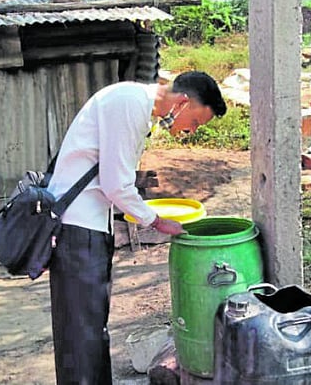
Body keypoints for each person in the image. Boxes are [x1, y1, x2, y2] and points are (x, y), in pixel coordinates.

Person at [46, 71, 227, 384]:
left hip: (87, 226)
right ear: (183, 103)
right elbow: (117, 183)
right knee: (81, 333)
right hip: (78, 230)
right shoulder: (130, 103)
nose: (190, 131)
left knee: (89, 328)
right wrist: (155, 221)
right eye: (195, 123)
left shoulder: (134, 105)